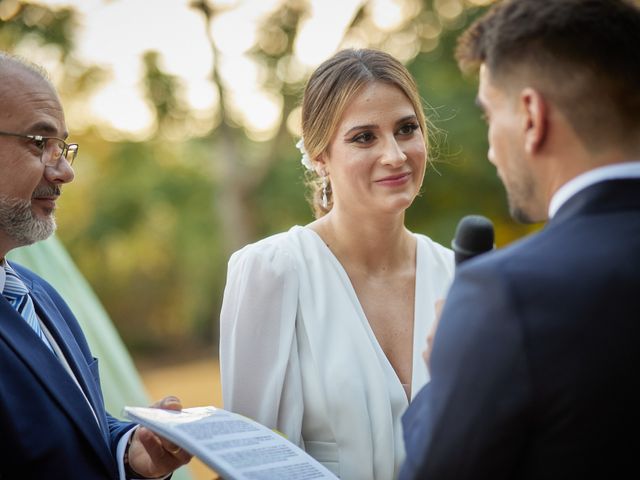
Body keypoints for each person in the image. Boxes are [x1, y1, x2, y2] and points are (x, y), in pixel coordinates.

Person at [400, 0, 640, 478]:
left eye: (490, 116)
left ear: (531, 115)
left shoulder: (504, 295)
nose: (490, 149)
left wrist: (447, 372)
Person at [219, 48, 454, 479]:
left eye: (406, 129)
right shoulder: (271, 271)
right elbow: (242, 461)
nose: (395, 155)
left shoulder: (459, 277)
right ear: (320, 155)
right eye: (365, 137)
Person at [0, 53, 192, 479]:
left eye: (62, 147)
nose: (65, 171)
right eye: (39, 143)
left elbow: (73, 427)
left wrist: (130, 450)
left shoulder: (39, 294)